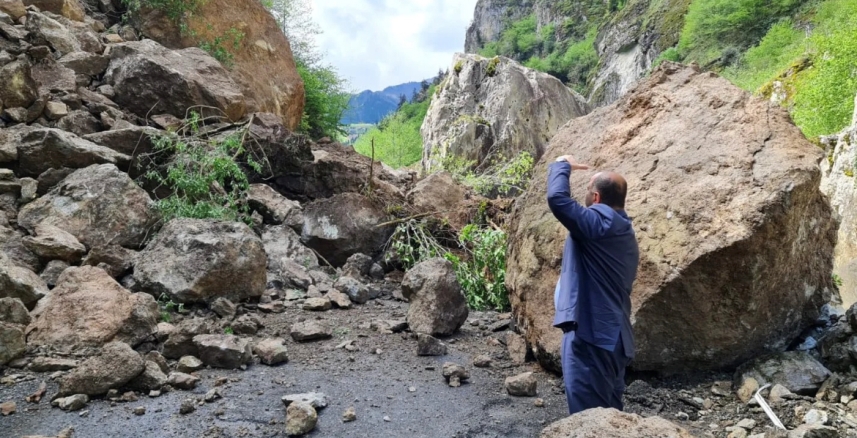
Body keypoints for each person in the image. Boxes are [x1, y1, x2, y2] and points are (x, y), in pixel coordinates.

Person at [546, 154, 639, 415]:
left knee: (588, 419)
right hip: (613, 337)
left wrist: (562, 165)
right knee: (610, 417)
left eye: (587, 190)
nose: (585, 196)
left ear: (596, 198)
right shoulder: (621, 228)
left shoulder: (600, 224)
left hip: (592, 337)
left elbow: (557, 199)